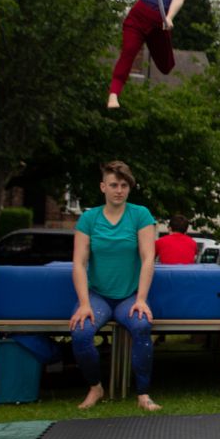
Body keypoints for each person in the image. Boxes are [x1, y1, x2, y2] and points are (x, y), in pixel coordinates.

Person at [70, 160, 160, 411]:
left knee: (142, 325)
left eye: (123, 185)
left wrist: (141, 299)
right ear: (103, 187)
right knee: (81, 332)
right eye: (113, 185)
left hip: (130, 296)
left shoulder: (140, 214)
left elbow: (147, 258)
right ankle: (95, 387)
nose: (119, 190)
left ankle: (143, 394)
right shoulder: (89, 218)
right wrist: (85, 303)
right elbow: (78, 263)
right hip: (97, 295)